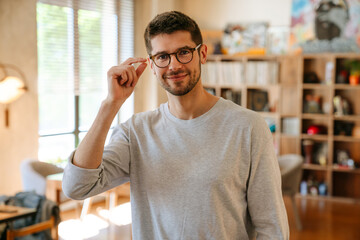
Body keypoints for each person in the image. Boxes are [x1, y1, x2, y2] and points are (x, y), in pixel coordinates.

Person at [62, 11, 289, 239]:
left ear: (203, 53)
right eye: (162, 56)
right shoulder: (136, 132)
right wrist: (111, 104)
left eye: (183, 53)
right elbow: (77, 186)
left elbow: (272, 228)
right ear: (151, 65)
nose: (173, 66)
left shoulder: (249, 127)